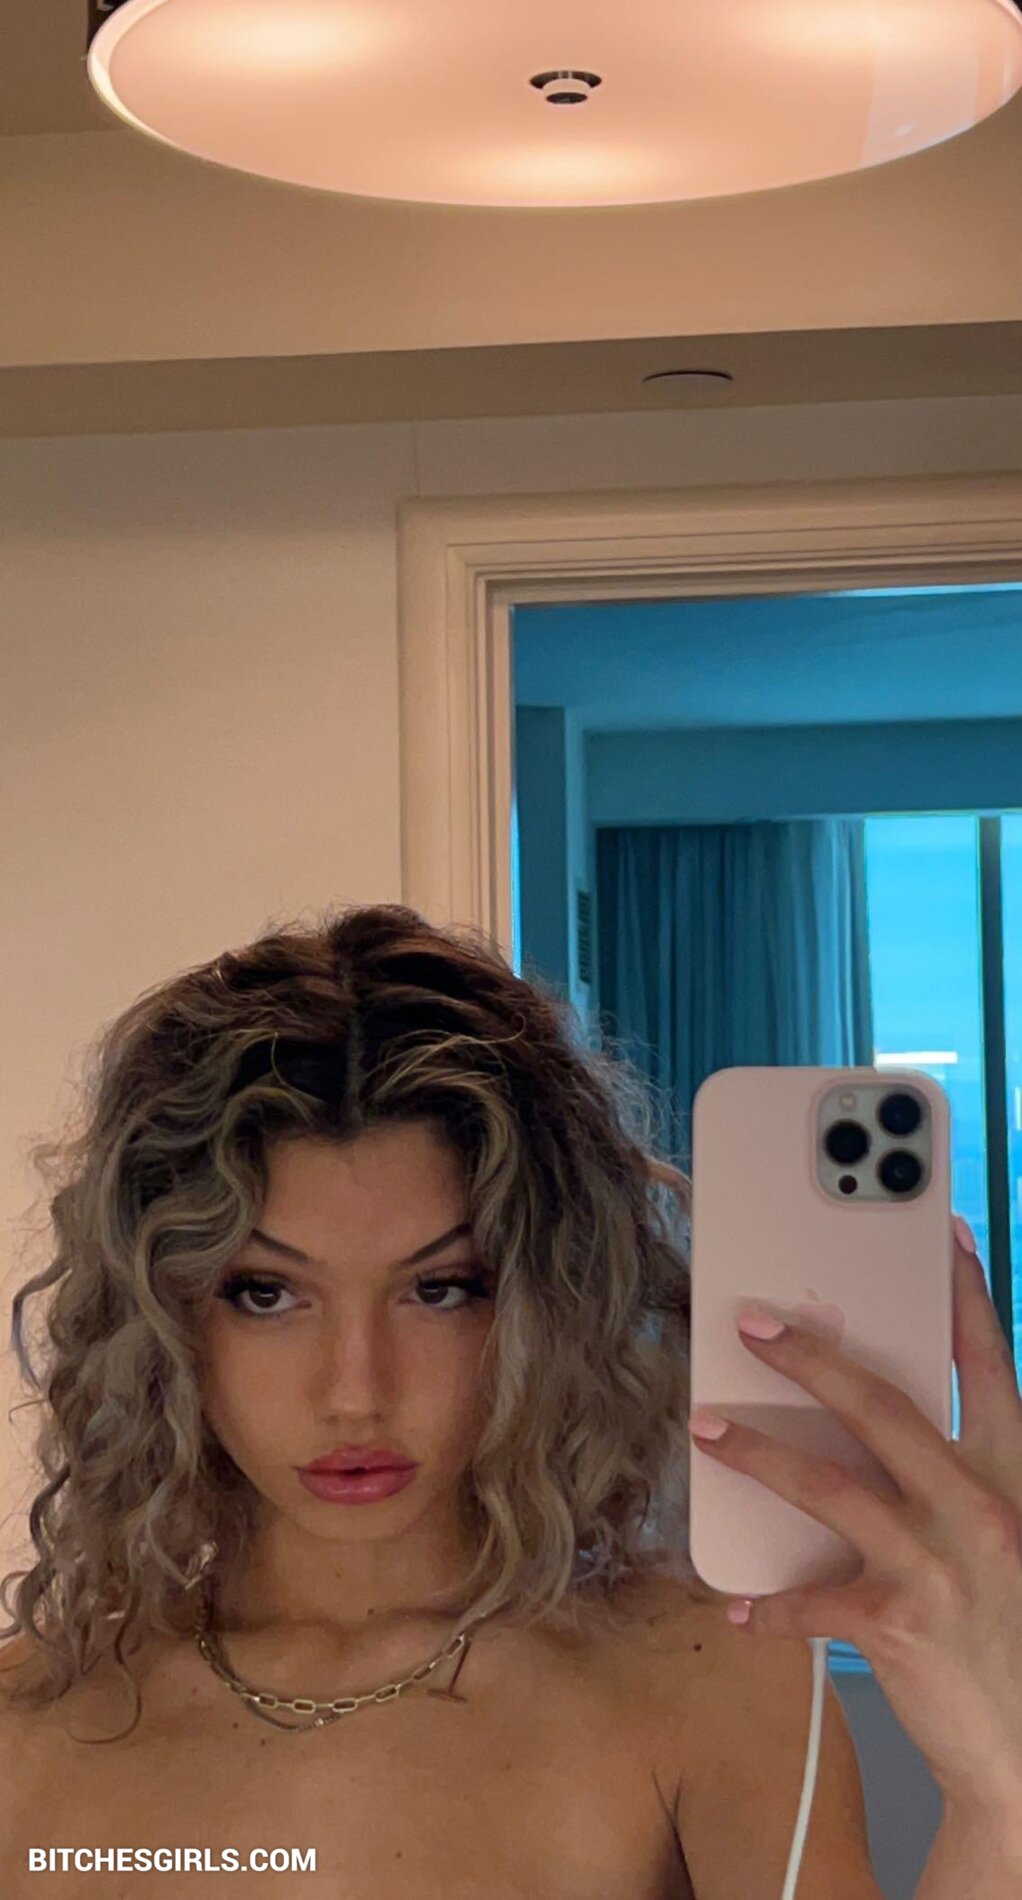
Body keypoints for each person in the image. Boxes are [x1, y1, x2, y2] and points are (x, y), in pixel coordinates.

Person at [0, 903, 873, 1898]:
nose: (355, 1393)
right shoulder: (26, 1731)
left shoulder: (713, 1683)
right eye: (266, 1294)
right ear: (159, 1313)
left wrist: (991, 1772)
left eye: (441, 1289)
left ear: (547, 1303)